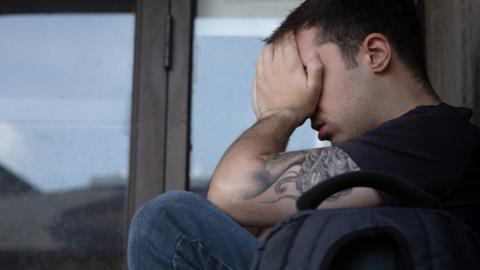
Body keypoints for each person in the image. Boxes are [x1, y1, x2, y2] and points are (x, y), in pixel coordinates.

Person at [128, 0, 480, 269]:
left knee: (166, 222)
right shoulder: (390, 163)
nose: (306, 106)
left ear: (375, 54)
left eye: (311, 75)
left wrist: (278, 113)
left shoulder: (433, 137)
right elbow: (250, 225)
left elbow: (232, 192)